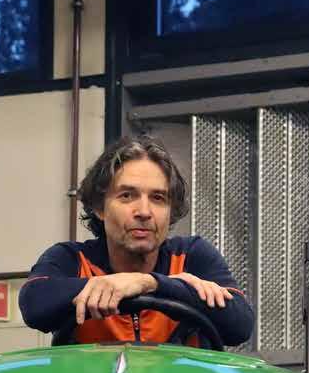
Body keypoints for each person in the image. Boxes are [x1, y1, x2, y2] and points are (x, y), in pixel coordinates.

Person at [19, 134, 254, 348]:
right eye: (127, 196)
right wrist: (112, 284)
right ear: (99, 207)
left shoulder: (192, 256)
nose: (144, 211)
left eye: (158, 198)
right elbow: (34, 304)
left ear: (170, 211)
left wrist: (149, 283)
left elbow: (240, 325)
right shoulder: (71, 258)